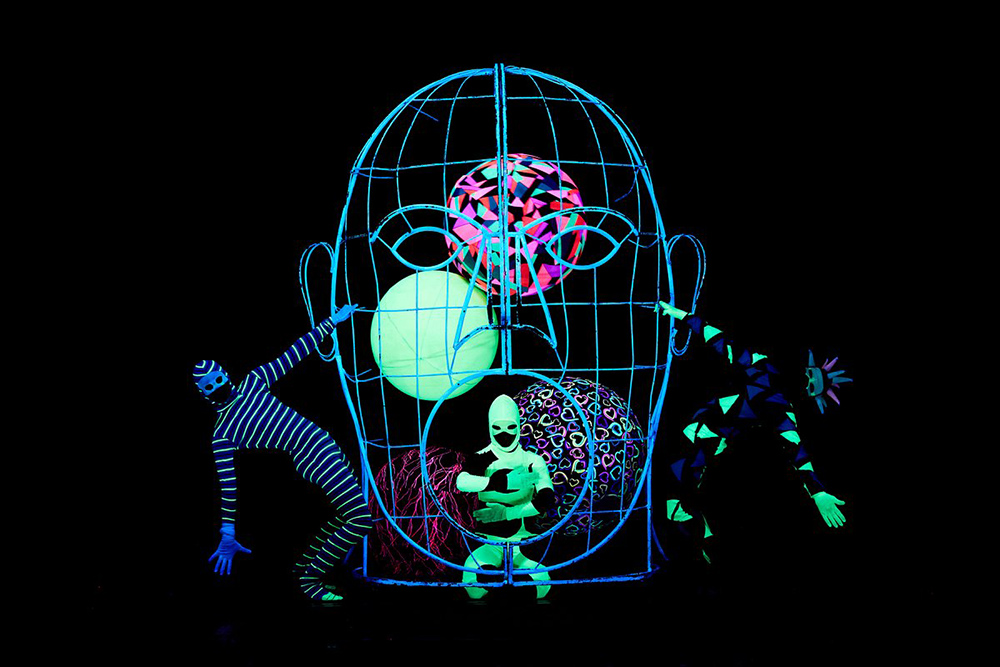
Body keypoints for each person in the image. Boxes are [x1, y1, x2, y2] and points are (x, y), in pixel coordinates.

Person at [194, 305, 372, 602]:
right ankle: (310, 579)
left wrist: (332, 321)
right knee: (360, 519)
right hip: (311, 456)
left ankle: (304, 568)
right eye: (209, 385)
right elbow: (228, 486)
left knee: (348, 514)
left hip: (325, 443)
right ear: (204, 393)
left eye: (218, 378)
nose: (217, 386)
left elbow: (293, 354)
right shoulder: (222, 434)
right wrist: (227, 532)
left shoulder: (253, 382)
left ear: (225, 375)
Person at [655, 301, 850, 563]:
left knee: (674, 500)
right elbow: (721, 341)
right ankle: (702, 541)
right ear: (806, 368)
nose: (806, 381)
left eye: (811, 386)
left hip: (708, 442)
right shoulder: (763, 366)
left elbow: (796, 450)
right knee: (673, 496)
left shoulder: (782, 411)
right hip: (696, 429)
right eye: (810, 375)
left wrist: (818, 492)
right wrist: (681, 315)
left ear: (809, 395)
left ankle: (704, 545)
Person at [455, 394, 557, 599]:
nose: (504, 434)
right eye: (497, 427)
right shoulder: (483, 457)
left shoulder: (532, 460)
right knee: (473, 585)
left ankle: (512, 594)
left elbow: (547, 498)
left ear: (519, 426)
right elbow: (462, 482)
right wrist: (503, 482)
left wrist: (506, 513)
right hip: (490, 541)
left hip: (523, 541)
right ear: (489, 427)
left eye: (511, 427)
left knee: (542, 583)